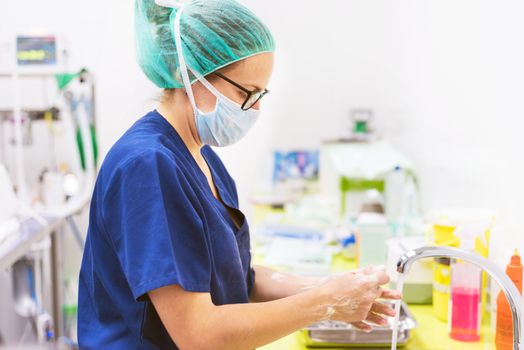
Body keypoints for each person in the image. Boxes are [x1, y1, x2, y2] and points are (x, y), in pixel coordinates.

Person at [78, 0, 401, 349]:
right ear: (192, 76)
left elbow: (238, 281)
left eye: (261, 94)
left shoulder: (201, 156)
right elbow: (199, 334)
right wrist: (326, 303)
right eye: (246, 93)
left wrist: (331, 286)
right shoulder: (147, 165)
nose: (256, 109)